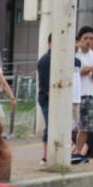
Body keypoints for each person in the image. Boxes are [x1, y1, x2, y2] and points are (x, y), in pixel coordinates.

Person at [74, 26, 93, 164]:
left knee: (86, 126)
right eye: (86, 38)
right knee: (74, 124)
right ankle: (70, 151)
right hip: (77, 95)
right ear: (80, 39)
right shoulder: (74, 55)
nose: (89, 41)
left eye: (91, 38)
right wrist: (81, 71)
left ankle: (78, 152)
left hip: (90, 93)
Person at [37, 35, 51, 164]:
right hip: (47, 98)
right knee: (50, 125)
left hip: (55, 99)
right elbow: (44, 82)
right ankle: (45, 155)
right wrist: (50, 94)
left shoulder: (61, 58)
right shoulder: (45, 60)